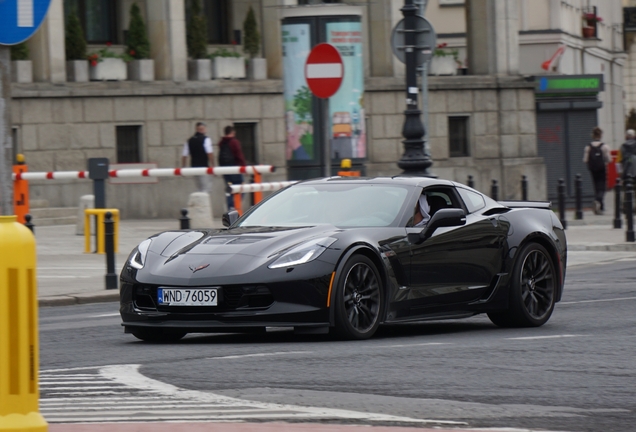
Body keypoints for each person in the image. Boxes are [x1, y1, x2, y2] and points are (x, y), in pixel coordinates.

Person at [583, 127, 611, 215]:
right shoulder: (604, 146)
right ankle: (597, 201)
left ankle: (601, 206)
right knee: (602, 188)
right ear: (600, 135)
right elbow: (609, 159)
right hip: (602, 169)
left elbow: (585, 160)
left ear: (593, 135)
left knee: (596, 187)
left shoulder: (588, 146)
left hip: (593, 170)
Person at [218, 125, 246, 211]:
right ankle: (235, 206)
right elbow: (239, 155)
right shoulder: (234, 142)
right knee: (242, 188)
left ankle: (230, 208)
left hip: (225, 170)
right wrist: (244, 167)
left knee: (229, 188)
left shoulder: (222, 142)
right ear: (233, 132)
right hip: (235, 169)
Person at [182, 122, 214, 193]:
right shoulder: (206, 139)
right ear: (202, 129)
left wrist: (183, 167)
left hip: (194, 167)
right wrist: (212, 165)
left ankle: (199, 203)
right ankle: (204, 204)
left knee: (199, 188)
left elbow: (184, 155)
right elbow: (209, 153)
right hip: (204, 167)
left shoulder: (189, 140)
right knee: (206, 189)